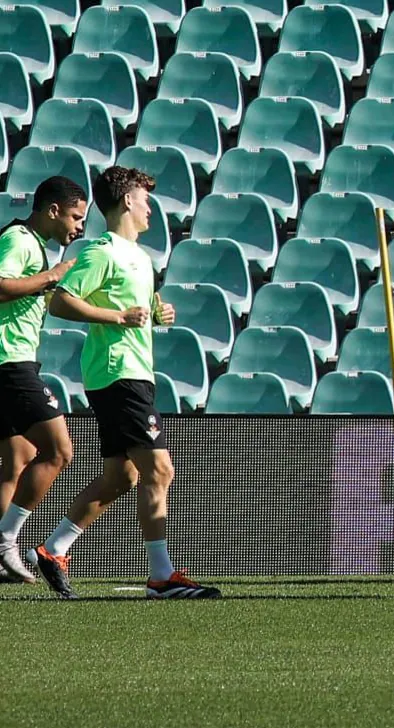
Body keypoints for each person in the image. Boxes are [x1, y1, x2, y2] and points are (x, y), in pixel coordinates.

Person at [26, 166, 221, 599]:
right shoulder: (102, 250)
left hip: (135, 371)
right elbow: (60, 301)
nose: (151, 207)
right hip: (118, 373)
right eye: (145, 199)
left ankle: (54, 548)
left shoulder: (140, 257)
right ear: (127, 201)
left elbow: (136, 306)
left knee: (122, 475)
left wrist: (157, 311)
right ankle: (162, 575)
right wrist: (118, 317)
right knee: (160, 468)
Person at [0, 177, 87, 583]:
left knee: (15, 462)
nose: (79, 226)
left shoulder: (32, 244)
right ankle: (5, 541)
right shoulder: (19, 240)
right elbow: (0, 286)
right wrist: (50, 276)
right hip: (10, 364)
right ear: (52, 210)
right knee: (59, 450)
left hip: (12, 362)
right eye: (75, 216)